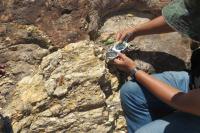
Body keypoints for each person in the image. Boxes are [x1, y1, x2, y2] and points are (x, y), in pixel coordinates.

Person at [112, 0, 200, 132]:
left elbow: (182, 101)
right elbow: (182, 17)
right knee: (132, 92)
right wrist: (136, 31)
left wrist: (134, 70)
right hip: (194, 83)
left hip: (193, 103)